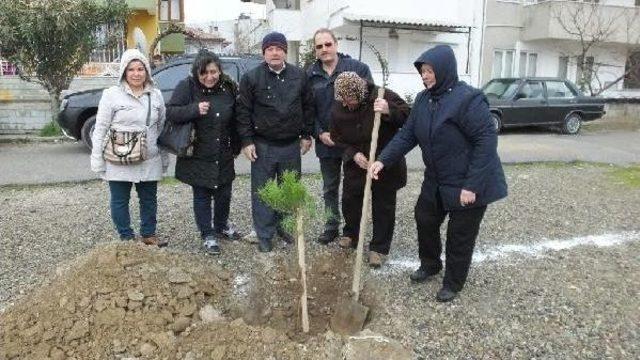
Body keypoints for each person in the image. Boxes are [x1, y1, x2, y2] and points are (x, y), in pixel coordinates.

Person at [370, 45, 508, 301]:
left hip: (468, 181)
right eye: (422, 72)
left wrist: (472, 186)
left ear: (445, 69)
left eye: (430, 71)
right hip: (437, 178)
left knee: (459, 235)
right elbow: (408, 134)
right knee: (425, 218)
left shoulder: (469, 99)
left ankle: (453, 283)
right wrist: (382, 160)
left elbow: (486, 141)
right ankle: (431, 263)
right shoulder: (423, 100)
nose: (425, 76)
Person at [236, 32, 315, 253]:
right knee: (263, 191)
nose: (275, 52)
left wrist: (307, 135)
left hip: (291, 144)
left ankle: (284, 226)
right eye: (270, 49)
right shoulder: (251, 78)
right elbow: (243, 112)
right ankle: (264, 234)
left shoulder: (300, 76)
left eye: (279, 48)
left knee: (289, 188)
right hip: (263, 145)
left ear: (285, 52)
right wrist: (246, 141)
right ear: (264, 53)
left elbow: (309, 106)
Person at [165, 49, 242, 255]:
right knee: (202, 194)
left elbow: (237, 118)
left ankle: (221, 225)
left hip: (223, 152)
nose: (209, 77)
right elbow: (171, 112)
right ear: (197, 73)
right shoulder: (187, 87)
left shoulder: (228, 88)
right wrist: (194, 109)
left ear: (219, 71)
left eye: (213, 72)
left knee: (224, 192)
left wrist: (237, 146)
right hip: (197, 151)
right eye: (204, 73)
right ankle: (207, 234)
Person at [330, 72, 409, 268]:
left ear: (361, 94)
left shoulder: (383, 95)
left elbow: (408, 117)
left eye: (350, 101)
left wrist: (389, 110)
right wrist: (353, 154)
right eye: (343, 101)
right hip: (356, 164)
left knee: (384, 206)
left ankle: (379, 248)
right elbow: (336, 137)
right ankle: (351, 234)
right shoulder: (339, 105)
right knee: (350, 201)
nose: (346, 105)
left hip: (384, 163)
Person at [90, 48, 169, 246]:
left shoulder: (156, 94)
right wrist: (97, 159)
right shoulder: (111, 95)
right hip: (119, 158)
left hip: (149, 157)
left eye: (140, 69)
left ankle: (149, 235)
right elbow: (100, 128)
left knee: (149, 199)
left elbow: (161, 127)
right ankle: (126, 238)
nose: (136, 73)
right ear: (124, 71)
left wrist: (164, 157)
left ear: (147, 71)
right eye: (131, 69)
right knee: (119, 200)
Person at [307, 28, 373, 245]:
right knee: (329, 187)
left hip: (352, 143)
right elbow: (307, 110)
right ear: (315, 50)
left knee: (353, 188)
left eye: (328, 44)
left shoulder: (358, 69)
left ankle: (351, 230)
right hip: (326, 142)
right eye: (319, 46)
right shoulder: (310, 75)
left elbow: (367, 104)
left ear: (336, 44)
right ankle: (331, 226)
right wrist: (319, 133)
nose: (324, 49)